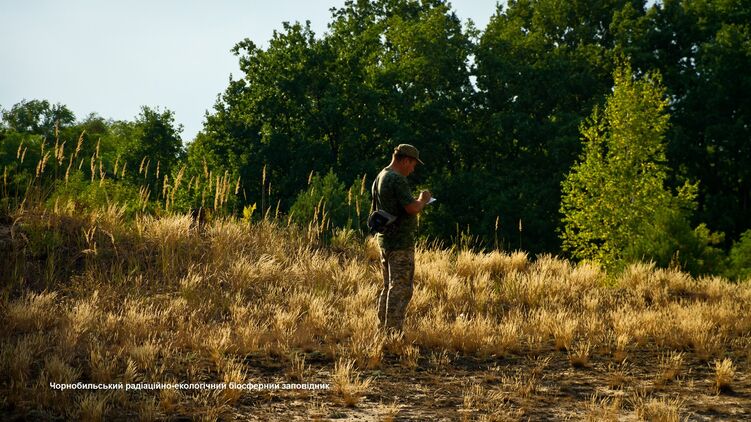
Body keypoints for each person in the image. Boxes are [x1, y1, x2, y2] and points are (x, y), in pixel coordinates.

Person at [371, 144, 431, 332]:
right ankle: (393, 332)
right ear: (405, 160)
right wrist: (423, 199)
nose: (412, 169)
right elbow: (411, 208)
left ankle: (383, 329)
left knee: (388, 287)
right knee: (401, 289)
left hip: (385, 240)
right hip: (400, 243)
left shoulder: (381, 176)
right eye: (413, 165)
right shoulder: (396, 179)